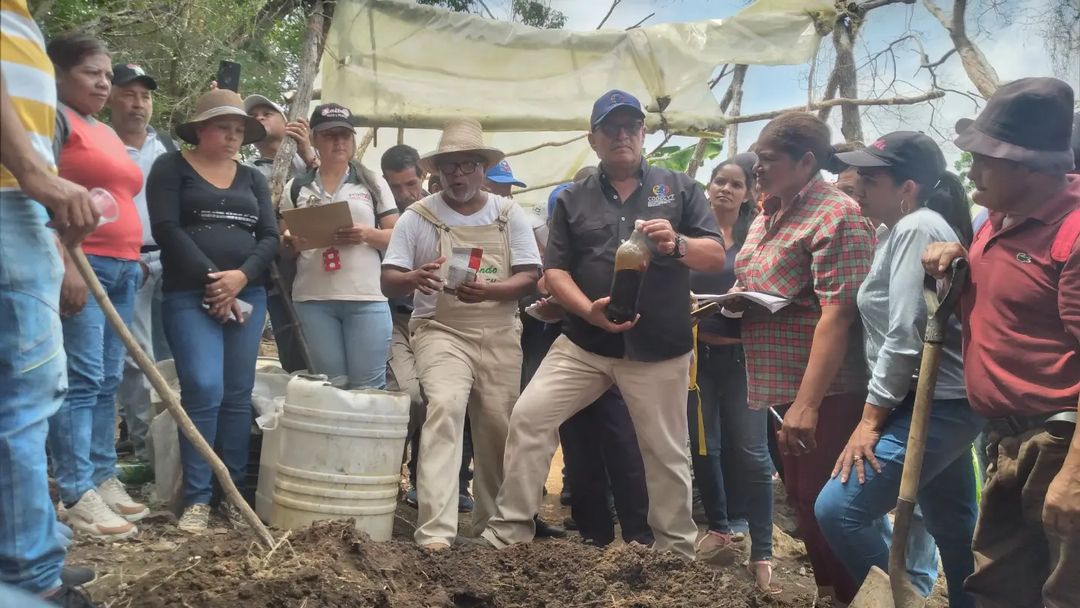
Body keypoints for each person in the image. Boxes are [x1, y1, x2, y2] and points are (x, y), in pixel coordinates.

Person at [478, 89, 727, 559]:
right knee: (530, 417)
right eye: (611, 128)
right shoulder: (573, 199)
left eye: (631, 127)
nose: (622, 136)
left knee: (665, 452)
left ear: (643, 134)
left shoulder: (679, 188)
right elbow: (554, 271)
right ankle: (508, 535)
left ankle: (676, 553)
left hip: (658, 346)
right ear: (593, 139)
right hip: (585, 343)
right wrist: (586, 308)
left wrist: (675, 245)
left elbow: (714, 255)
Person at [923, 77, 1080, 608]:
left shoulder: (1073, 233)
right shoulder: (996, 220)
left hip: (1060, 445)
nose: (971, 170)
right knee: (999, 589)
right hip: (1007, 441)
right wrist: (957, 256)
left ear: (1032, 166)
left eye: (986, 159)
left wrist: (1076, 476)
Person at [814, 132, 982, 608]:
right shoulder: (897, 232)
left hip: (935, 403)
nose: (857, 186)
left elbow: (905, 334)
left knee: (839, 509)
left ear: (907, 187)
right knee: (952, 525)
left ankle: (904, 600)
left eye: (871, 178)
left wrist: (869, 420)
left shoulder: (917, 228)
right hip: (934, 399)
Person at [381, 118, 542, 550]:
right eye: (450, 166)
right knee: (445, 408)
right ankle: (435, 531)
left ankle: (493, 528)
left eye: (468, 165)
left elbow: (530, 276)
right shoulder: (418, 217)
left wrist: (491, 290)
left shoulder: (509, 215)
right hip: (440, 329)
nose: (458, 175)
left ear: (483, 168)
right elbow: (388, 279)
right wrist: (414, 277)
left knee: (497, 425)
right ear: (438, 171)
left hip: (499, 330)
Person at [734, 112, 875, 602]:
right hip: (779, 384)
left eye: (768, 159)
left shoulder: (838, 216)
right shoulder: (769, 212)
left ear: (807, 161)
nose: (757, 167)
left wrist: (808, 404)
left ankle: (855, 595)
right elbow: (755, 280)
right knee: (799, 499)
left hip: (825, 390)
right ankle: (827, 592)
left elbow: (838, 314)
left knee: (826, 503)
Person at [1, 2, 99, 604]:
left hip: (22, 206)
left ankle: (30, 544)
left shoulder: (22, 17)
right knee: (25, 395)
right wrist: (35, 176)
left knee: (24, 396)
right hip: (8, 201)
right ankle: (28, 572)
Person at [147, 89, 278, 532]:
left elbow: (269, 237)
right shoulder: (171, 168)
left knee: (238, 396)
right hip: (189, 294)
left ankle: (233, 497)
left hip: (248, 294)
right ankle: (198, 499)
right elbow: (166, 228)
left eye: (239, 130)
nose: (232, 136)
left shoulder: (253, 178)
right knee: (203, 388)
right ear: (201, 129)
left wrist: (239, 278)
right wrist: (214, 281)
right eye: (224, 127)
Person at [45, 32, 148, 540]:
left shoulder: (103, 130)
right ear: (59, 74)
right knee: (82, 378)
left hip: (124, 266)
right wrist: (63, 259)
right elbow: (36, 195)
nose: (105, 83)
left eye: (108, 74)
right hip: (83, 261)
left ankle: (103, 475)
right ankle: (76, 489)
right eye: (93, 73)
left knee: (108, 378)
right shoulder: (52, 120)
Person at [687, 153, 777, 588]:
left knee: (754, 453)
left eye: (735, 184)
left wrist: (747, 297)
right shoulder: (692, 235)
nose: (724, 188)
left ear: (748, 195)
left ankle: (762, 552)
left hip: (744, 357)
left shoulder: (757, 236)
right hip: (697, 357)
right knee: (705, 445)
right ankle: (720, 528)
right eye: (719, 181)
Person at [380, 144, 476, 513]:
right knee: (414, 398)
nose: (405, 195)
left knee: (444, 397)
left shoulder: (450, 213)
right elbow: (387, 277)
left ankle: (438, 485)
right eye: (396, 188)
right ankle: (393, 479)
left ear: (422, 177)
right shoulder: (387, 216)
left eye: (410, 185)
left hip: (442, 322)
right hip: (395, 320)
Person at [281, 104, 397, 389]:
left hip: (366, 298)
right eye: (330, 135)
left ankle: (368, 435)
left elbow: (397, 235)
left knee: (369, 387)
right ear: (315, 140)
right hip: (313, 299)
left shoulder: (371, 182)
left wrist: (366, 235)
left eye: (345, 135)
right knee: (330, 386)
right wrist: (291, 242)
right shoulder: (296, 187)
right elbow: (282, 243)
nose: (339, 142)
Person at [109, 62, 174, 464]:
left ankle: (174, 446)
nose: (138, 104)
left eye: (145, 96)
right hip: (124, 261)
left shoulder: (165, 145)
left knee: (171, 357)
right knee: (136, 359)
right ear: (110, 98)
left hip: (168, 257)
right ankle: (146, 449)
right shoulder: (98, 144)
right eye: (129, 94)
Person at [244, 93, 318, 374]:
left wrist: (308, 152)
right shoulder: (247, 170)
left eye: (267, 112)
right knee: (291, 346)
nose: (259, 118)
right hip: (276, 271)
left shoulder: (311, 162)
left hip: (319, 270)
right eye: (254, 115)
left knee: (322, 349)